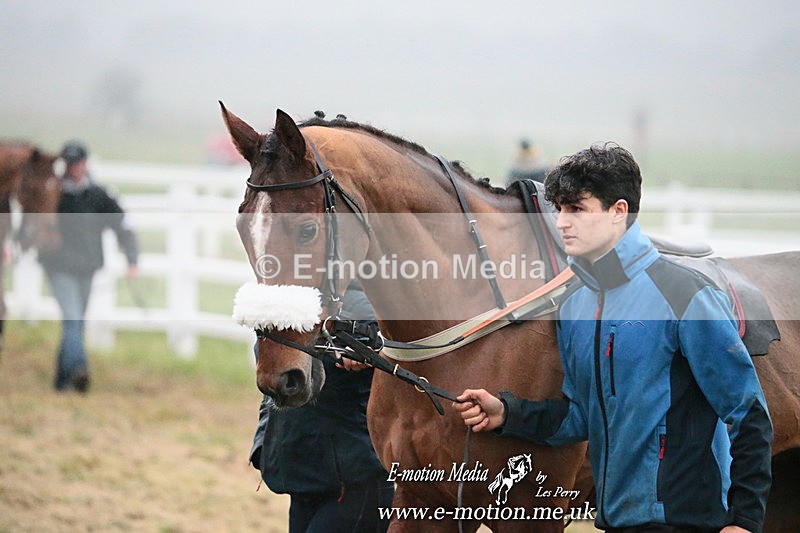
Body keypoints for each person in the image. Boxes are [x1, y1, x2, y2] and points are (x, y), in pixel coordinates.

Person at [454, 143, 772, 533]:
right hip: (616, 521)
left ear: (619, 212)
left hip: (688, 520)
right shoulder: (574, 304)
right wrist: (508, 413)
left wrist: (744, 519)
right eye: (560, 210)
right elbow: (580, 418)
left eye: (577, 209)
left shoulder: (684, 294)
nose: (562, 223)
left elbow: (748, 411)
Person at [250, 280, 394, 533]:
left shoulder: (363, 299)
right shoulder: (287, 301)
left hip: (353, 480)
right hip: (305, 468)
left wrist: (365, 349)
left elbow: (390, 348)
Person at [37, 140, 138, 392]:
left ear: (85, 163)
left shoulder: (97, 195)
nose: (74, 169)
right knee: (73, 320)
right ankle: (80, 370)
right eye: (70, 164)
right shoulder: (54, 194)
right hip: (60, 267)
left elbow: (121, 224)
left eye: (77, 163)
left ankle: (62, 380)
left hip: (87, 268)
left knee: (75, 321)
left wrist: (132, 258)